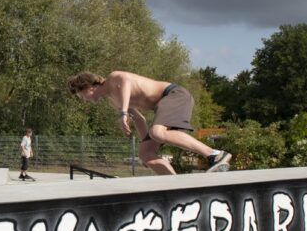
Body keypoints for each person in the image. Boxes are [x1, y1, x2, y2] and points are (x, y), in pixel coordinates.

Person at [68, 71, 231, 176]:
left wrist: (124, 111)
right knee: (145, 154)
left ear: (88, 87)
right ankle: (175, 186)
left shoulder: (113, 78)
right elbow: (140, 120)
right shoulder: (113, 102)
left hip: (173, 95)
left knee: (158, 132)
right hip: (163, 105)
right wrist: (147, 146)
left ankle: (215, 155)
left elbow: (127, 81)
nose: (85, 101)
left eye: (82, 97)